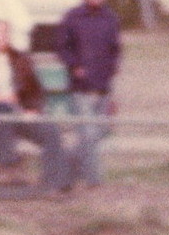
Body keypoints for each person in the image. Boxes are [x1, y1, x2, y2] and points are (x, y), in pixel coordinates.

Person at [0, 20, 70, 193]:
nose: (0, 37)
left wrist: (32, 109)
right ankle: (7, 164)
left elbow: (35, 90)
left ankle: (54, 182)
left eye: (4, 33)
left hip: (17, 112)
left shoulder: (20, 59)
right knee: (2, 108)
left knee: (50, 130)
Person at [57, 0, 122, 189]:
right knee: (87, 132)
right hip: (81, 88)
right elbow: (62, 48)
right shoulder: (72, 17)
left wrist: (113, 68)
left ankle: (63, 174)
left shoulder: (110, 18)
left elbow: (116, 49)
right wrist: (74, 66)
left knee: (96, 133)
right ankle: (94, 182)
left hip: (103, 87)